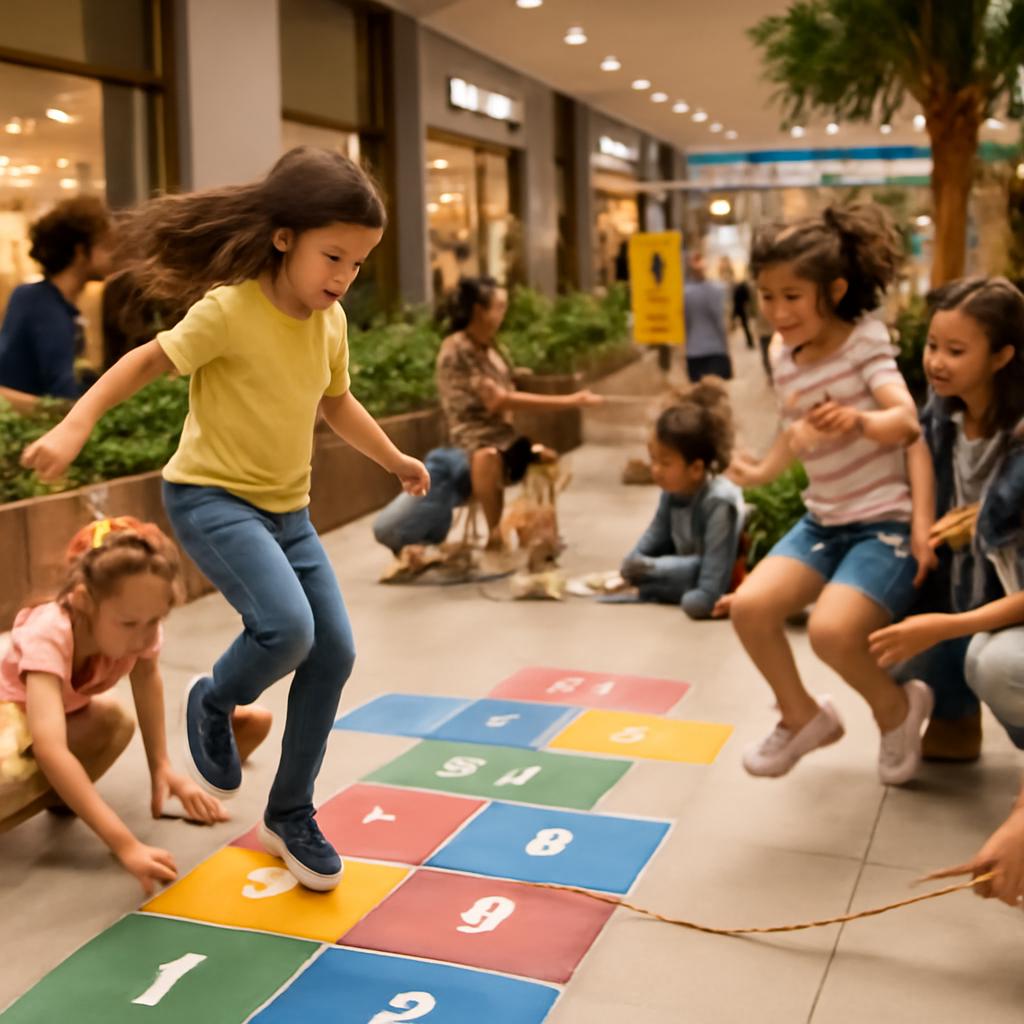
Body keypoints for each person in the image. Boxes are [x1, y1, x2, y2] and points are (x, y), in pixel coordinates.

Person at [19, 147, 430, 892]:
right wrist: (74, 426)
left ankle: (289, 812)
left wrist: (394, 458)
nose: (343, 277)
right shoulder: (230, 309)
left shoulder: (329, 323)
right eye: (332, 256)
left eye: (358, 263)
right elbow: (144, 363)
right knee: (288, 629)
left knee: (333, 652)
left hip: (288, 511)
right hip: (211, 497)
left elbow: (336, 402)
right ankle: (214, 697)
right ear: (284, 238)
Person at [726, 203, 936, 785]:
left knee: (832, 632)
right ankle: (803, 716)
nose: (778, 312)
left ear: (835, 290)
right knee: (749, 608)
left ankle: (897, 709)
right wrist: (760, 472)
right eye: (767, 296)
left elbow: (906, 422)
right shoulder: (782, 354)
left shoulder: (863, 344)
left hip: (883, 525)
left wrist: (860, 422)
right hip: (823, 521)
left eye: (793, 296)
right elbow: (796, 433)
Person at [0, 518, 252, 894]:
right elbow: (51, 749)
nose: (145, 636)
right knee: (16, 767)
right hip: (7, 717)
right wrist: (125, 844)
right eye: (129, 623)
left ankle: (58, 794)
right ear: (83, 601)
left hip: (38, 723)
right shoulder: (48, 632)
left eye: (155, 620)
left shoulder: (137, 628)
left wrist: (161, 767)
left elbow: (147, 678)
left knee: (114, 722)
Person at [869, 277, 1024, 758]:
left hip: (1008, 594)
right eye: (933, 345)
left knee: (993, 663)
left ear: (1002, 356)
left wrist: (940, 628)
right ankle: (955, 720)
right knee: (863, 614)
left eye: (955, 351)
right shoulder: (940, 414)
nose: (936, 361)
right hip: (960, 580)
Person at [373, 277, 601, 554]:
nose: (504, 313)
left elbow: (505, 390)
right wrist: (570, 400)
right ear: (480, 311)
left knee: (534, 456)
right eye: (500, 306)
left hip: (505, 442)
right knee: (391, 528)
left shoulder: (492, 350)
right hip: (463, 448)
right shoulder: (458, 347)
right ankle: (493, 536)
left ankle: (529, 534)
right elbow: (497, 399)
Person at [618, 378, 744, 618]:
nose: (655, 470)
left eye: (665, 463)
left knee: (690, 595)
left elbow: (708, 590)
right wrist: (639, 566)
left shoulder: (719, 502)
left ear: (696, 469)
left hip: (717, 581)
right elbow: (646, 547)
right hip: (685, 575)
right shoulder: (672, 492)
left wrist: (651, 569)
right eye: (653, 460)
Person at [0, 197, 113, 399]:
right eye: (106, 246)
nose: (113, 255)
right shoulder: (39, 303)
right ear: (80, 251)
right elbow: (62, 389)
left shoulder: (54, 303)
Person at [684, 252, 732, 382]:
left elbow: (685, 323)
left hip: (693, 350)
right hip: (715, 349)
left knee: (699, 390)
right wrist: (726, 346)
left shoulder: (685, 293)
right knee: (717, 390)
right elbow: (720, 321)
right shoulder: (716, 290)